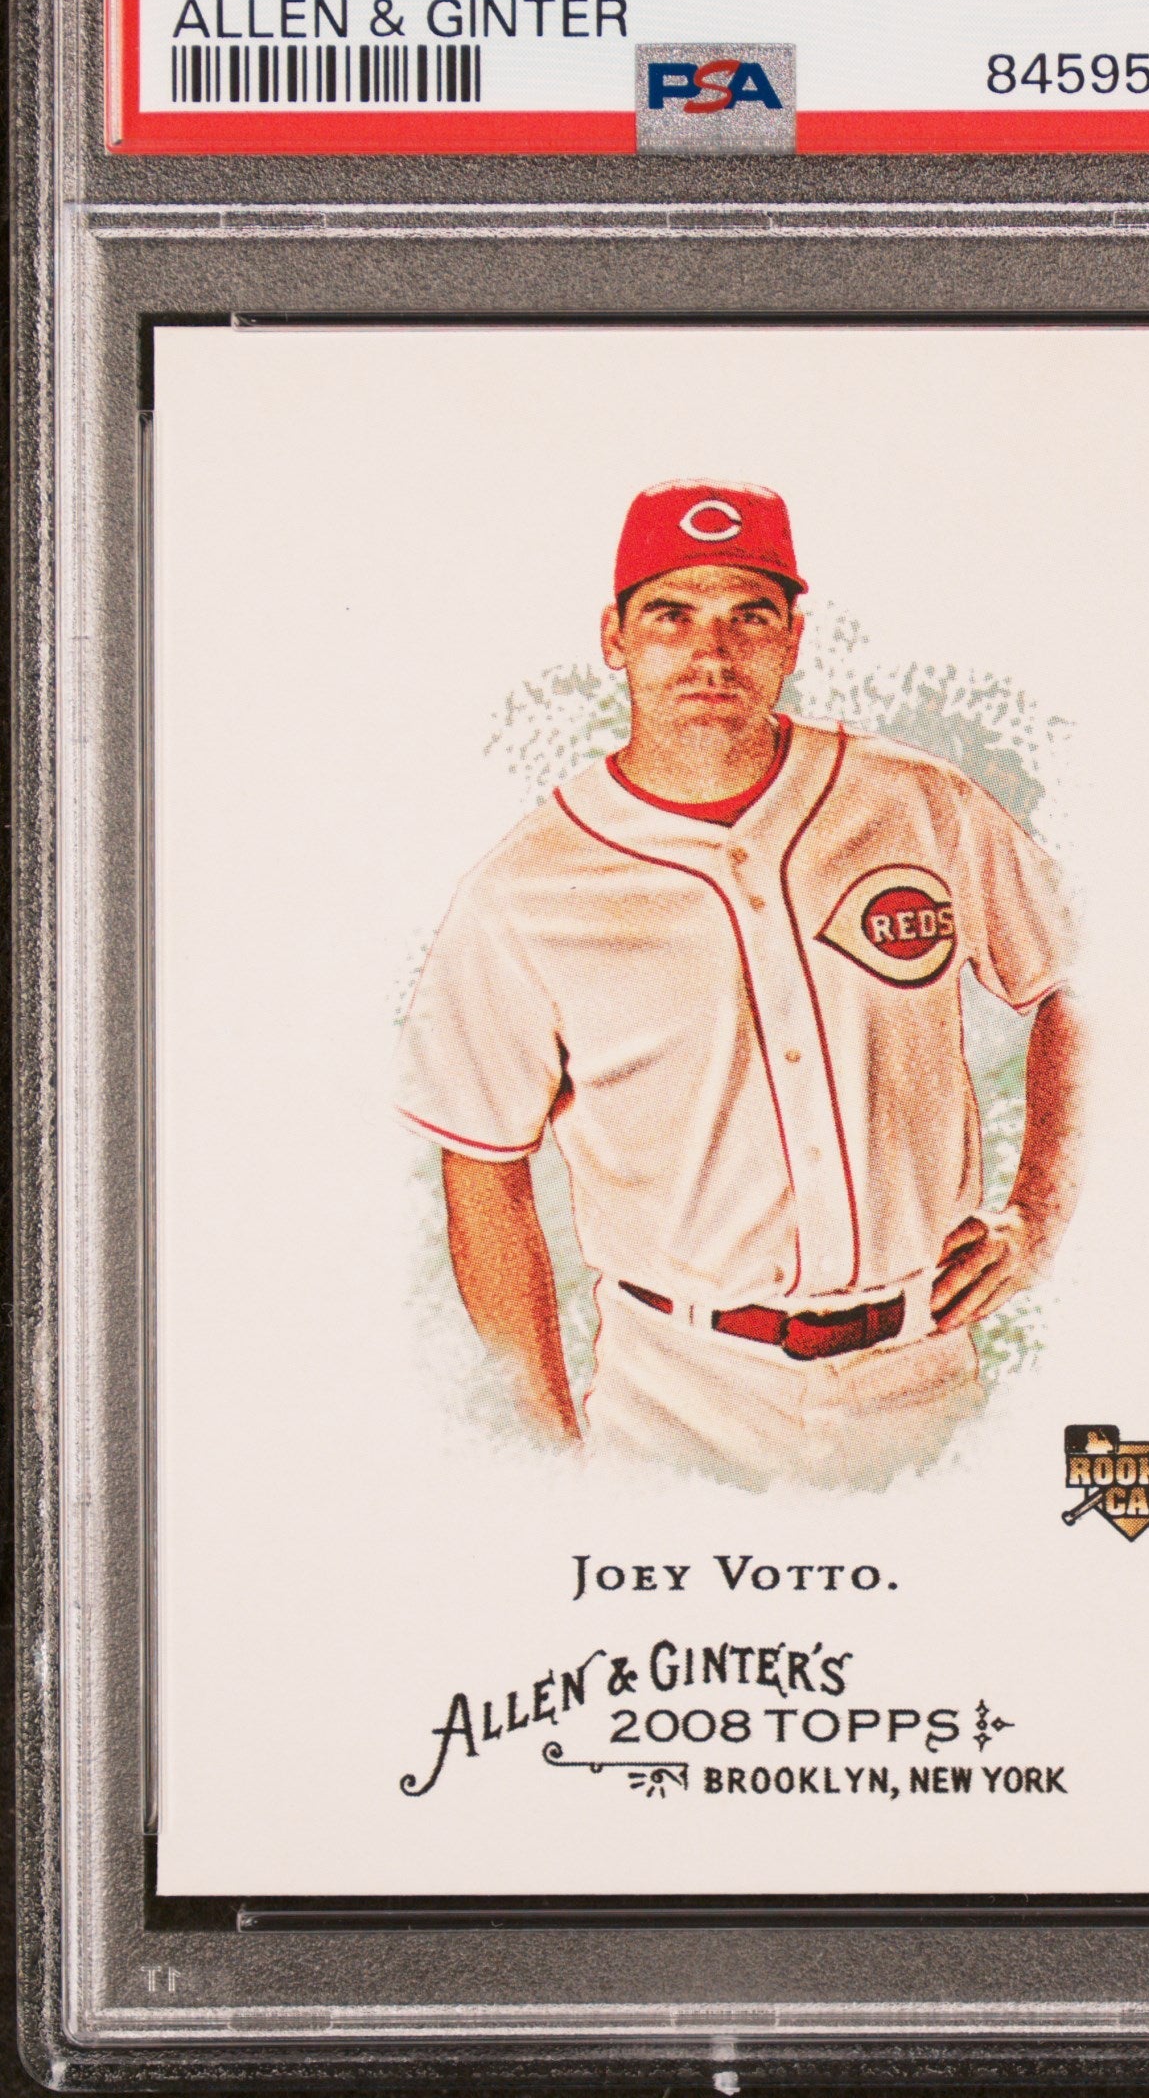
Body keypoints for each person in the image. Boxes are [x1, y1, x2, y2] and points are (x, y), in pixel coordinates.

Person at [397, 481, 1084, 1489]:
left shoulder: (918, 805)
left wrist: (1037, 1212)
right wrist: (545, 1457)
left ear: (794, 637)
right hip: (679, 1399)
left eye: (749, 616)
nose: (711, 653)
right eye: (671, 615)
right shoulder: (524, 887)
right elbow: (483, 1173)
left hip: (926, 1378)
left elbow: (1084, 983)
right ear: (614, 637)